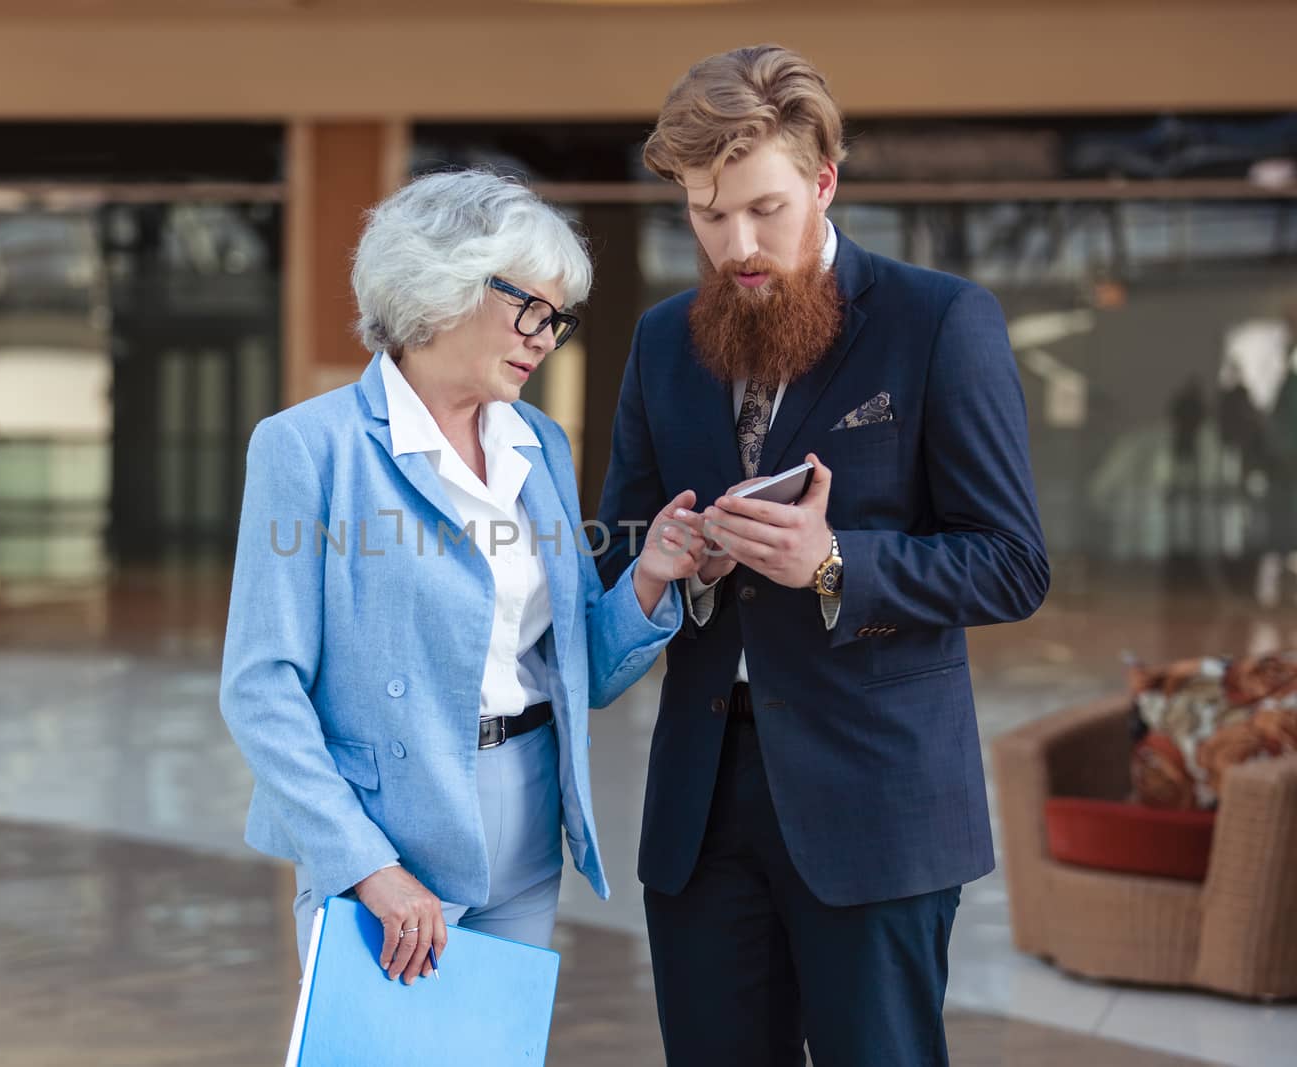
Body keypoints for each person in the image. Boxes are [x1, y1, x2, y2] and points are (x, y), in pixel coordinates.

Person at [595, 45, 1050, 1065]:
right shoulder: (662, 341)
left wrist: (835, 560)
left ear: (824, 180)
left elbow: (1012, 562)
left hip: (878, 805)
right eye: (708, 215)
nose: (738, 244)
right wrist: (667, 567)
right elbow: (613, 545)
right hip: (699, 809)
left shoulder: (940, 322)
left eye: (764, 207)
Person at [221, 170, 705, 986]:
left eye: (559, 320)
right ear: (442, 283)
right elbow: (261, 688)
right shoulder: (308, 448)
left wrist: (653, 570)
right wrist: (367, 865)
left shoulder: (538, 444)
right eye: (531, 311)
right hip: (388, 836)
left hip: (528, 825)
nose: (546, 338)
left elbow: (578, 666)